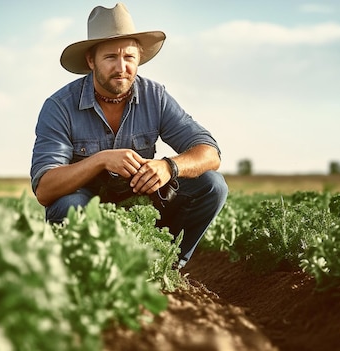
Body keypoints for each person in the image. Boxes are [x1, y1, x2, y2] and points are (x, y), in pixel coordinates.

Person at [30, 3, 228, 269]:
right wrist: (99, 161)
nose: (121, 67)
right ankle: (91, 271)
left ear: (139, 58)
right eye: (111, 57)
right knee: (71, 205)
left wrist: (169, 166)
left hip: (143, 208)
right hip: (89, 213)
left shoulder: (155, 97)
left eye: (129, 57)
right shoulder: (60, 106)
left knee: (212, 185)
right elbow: (45, 189)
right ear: (91, 60)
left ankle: (165, 268)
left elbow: (209, 152)